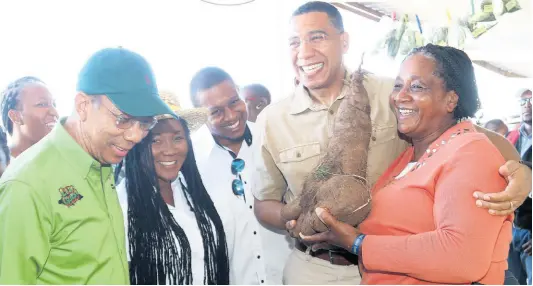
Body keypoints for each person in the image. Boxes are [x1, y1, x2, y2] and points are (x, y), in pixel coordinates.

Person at [251, 1, 531, 285]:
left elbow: (472, 136)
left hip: (405, 265)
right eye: (294, 42)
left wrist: (523, 174)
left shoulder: (392, 92)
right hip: (316, 268)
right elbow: (264, 203)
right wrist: (297, 223)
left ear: (343, 40)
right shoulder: (272, 120)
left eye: (317, 37)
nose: (305, 51)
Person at [300, 44, 513, 285]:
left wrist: (358, 243)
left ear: (451, 100)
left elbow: (462, 257)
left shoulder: (472, 153)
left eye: (417, 86)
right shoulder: (410, 156)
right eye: (398, 85)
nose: (400, 96)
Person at [0, 47, 174, 284]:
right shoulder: (27, 184)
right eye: (123, 119)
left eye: (145, 123)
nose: (135, 135)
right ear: (82, 105)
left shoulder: (101, 161)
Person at [190, 67, 293, 285]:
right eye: (216, 111)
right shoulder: (189, 160)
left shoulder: (273, 139)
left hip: (287, 277)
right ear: (200, 115)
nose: (230, 116)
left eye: (234, 102)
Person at [116, 93, 232, 284]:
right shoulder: (122, 207)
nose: (169, 150)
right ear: (138, 145)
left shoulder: (193, 191)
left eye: (178, 138)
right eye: (155, 140)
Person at [506, 88, 532, 285]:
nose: (527, 106)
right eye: (523, 102)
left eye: (532, 100)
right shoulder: (511, 138)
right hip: (512, 227)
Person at [0, 76, 58, 158]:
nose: (55, 112)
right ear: (15, 116)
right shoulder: (4, 168)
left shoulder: (59, 158)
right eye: (42, 104)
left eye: (54, 105)